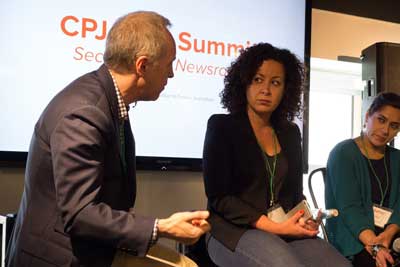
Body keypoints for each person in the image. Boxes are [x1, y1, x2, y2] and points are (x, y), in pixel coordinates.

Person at [6, 11, 210, 267]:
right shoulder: (85, 112)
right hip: (61, 256)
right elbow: (80, 214)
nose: (171, 75)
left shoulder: (108, 99)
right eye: (170, 63)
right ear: (142, 66)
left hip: (94, 246)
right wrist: (162, 227)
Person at [202, 43, 351, 267]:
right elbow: (220, 198)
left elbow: (294, 194)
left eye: (275, 82)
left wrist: (305, 218)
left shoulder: (290, 132)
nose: (266, 90)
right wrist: (275, 227)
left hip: (283, 227)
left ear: (285, 89)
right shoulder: (222, 127)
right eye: (258, 79)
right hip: (232, 230)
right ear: (244, 83)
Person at [325, 92, 400, 267]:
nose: (385, 130)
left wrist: (388, 235)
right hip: (353, 236)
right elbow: (349, 208)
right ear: (367, 116)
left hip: (390, 235)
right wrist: (376, 246)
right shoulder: (343, 153)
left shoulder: (397, 158)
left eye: (394, 126)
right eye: (381, 120)